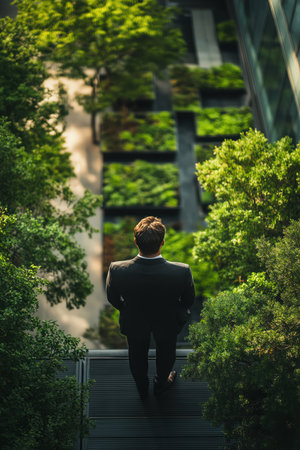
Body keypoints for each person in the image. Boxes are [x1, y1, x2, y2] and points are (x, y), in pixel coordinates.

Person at [106, 216, 195, 399]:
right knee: (167, 351)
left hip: (135, 319)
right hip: (168, 319)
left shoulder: (117, 269)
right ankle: (161, 383)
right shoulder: (181, 271)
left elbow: (113, 298)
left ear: (135, 241)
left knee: (136, 354)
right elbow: (188, 300)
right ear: (162, 242)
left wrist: (128, 308)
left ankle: (141, 387)